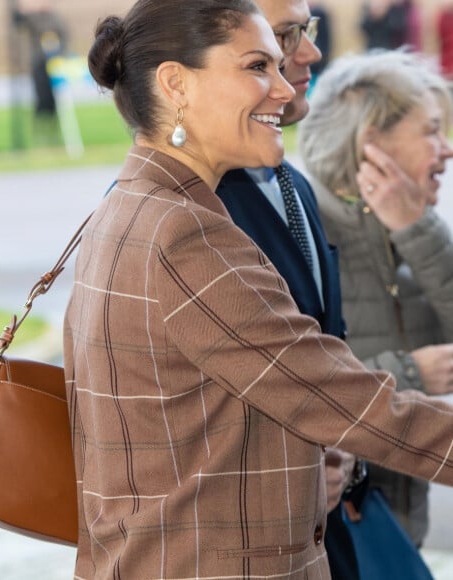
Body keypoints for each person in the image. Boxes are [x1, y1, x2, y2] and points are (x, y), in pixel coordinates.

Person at [65, 1, 453, 577]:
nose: (282, 89)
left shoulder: (137, 203)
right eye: (255, 67)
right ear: (176, 84)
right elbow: (334, 392)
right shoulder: (185, 234)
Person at [216, 1, 359, 577]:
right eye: (278, 41)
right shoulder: (187, 213)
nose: (308, 54)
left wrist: (342, 455)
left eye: (307, 31)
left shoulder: (290, 180)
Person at [299, 49, 453, 549]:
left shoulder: (406, 230)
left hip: (401, 528)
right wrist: (408, 373)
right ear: (372, 145)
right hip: (337, 538)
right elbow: (287, 385)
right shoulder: (305, 234)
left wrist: (418, 230)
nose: (446, 148)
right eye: (430, 130)